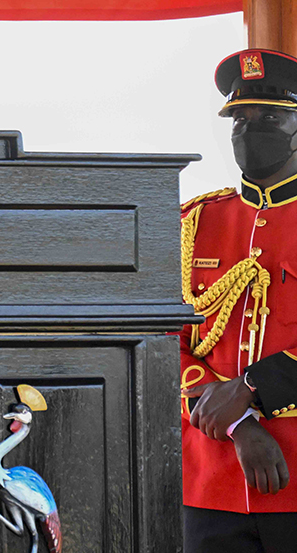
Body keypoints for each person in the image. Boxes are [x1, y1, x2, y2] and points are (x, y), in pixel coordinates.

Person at [178, 48, 297, 552]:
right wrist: (239, 422)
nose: (251, 130)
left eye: (270, 117)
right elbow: (162, 341)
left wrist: (251, 388)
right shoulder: (194, 223)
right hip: (210, 481)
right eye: (240, 120)